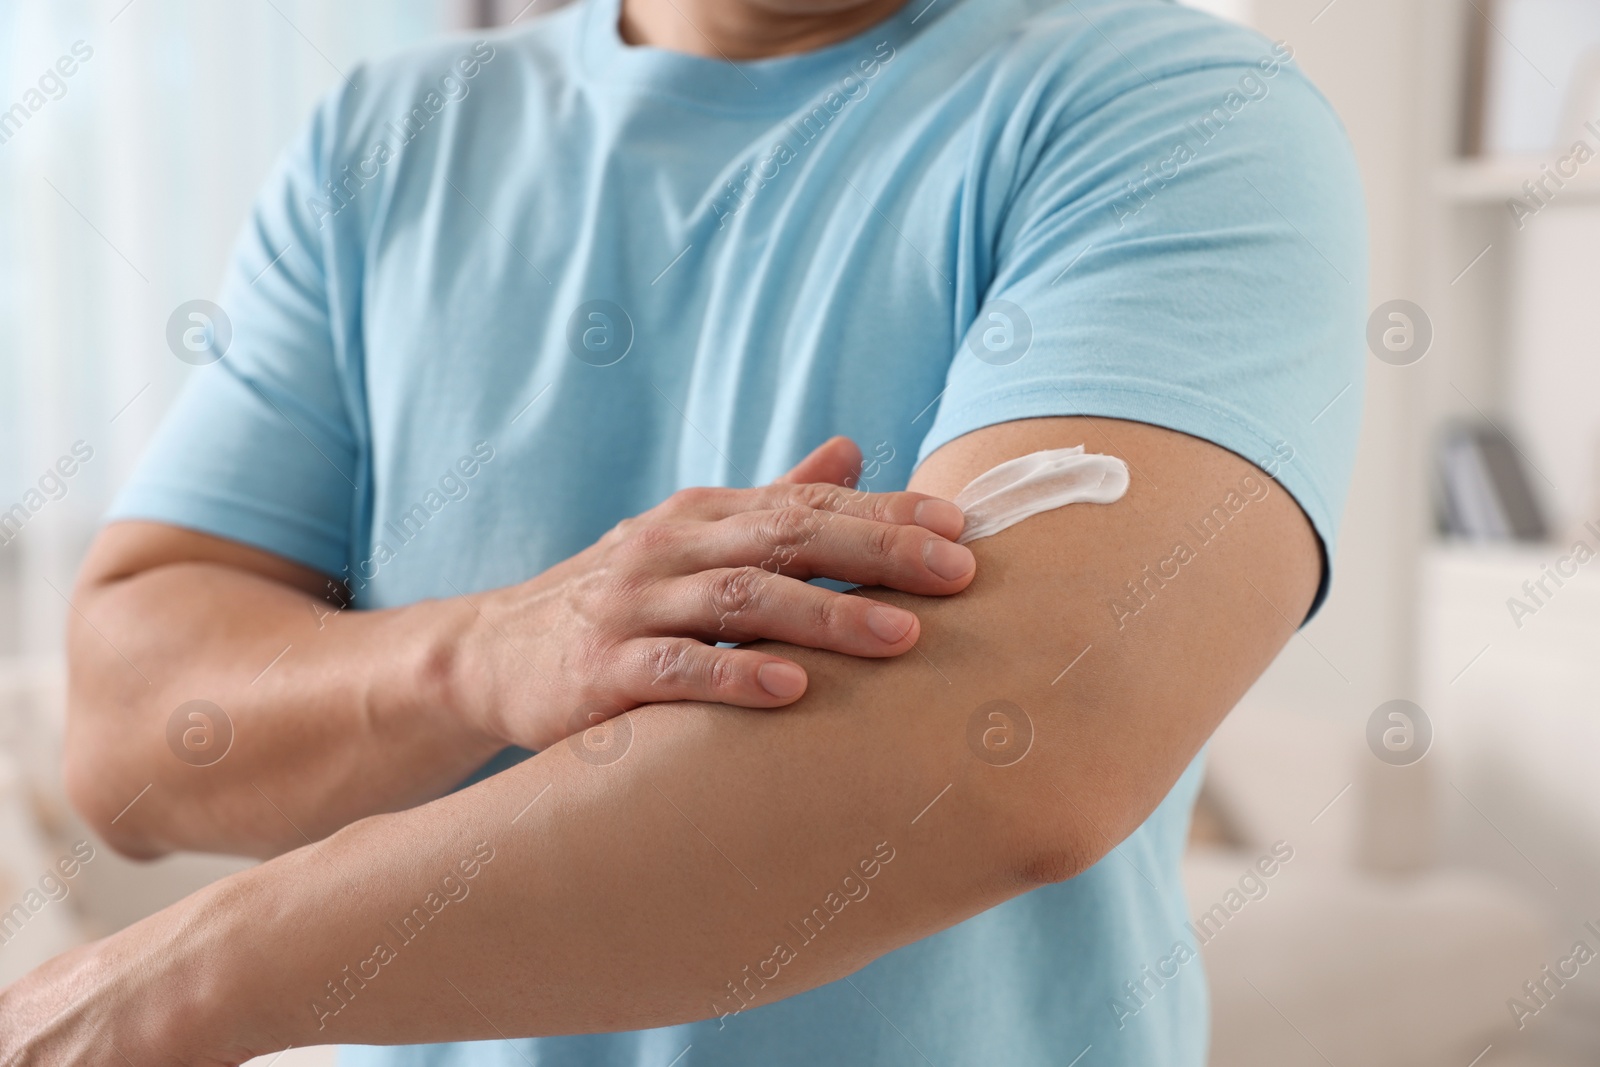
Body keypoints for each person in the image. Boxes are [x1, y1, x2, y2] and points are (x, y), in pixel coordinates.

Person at [0, 0, 1365, 1062]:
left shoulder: (1179, 115)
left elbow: (1004, 751)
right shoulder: (385, 139)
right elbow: (133, 733)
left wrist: (184, 983)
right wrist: (477, 656)